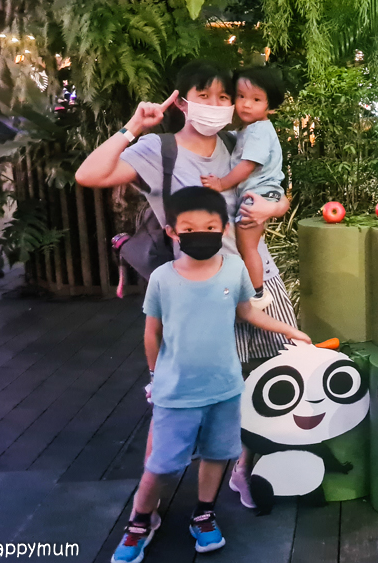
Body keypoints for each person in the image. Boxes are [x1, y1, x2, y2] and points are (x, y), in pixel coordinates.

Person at [75, 60, 296, 513]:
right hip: (197, 293)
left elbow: (280, 192)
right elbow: (89, 175)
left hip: (258, 283)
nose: (215, 105)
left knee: (264, 380)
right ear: (182, 101)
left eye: (223, 97)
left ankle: (243, 469)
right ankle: (147, 508)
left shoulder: (239, 143)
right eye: (204, 95)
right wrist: (133, 127)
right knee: (175, 398)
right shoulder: (159, 150)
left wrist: (273, 209)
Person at [109, 187, 310, 562]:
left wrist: (289, 330)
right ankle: (139, 522)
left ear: (224, 229)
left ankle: (203, 514)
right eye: (189, 228)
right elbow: (152, 332)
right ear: (173, 231)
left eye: (210, 227)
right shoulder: (163, 279)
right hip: (176, 392)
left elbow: (247, 312)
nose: (200, 234)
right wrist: (154, 376)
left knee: (217, 455)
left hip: (224, 388)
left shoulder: (234, 269)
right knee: (161, 464)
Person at [201, 66, 285, 310]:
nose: (246, 104)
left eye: (256, 99)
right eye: (241, 96)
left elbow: (247, 165)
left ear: (270, 106)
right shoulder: (249, 130)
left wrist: (221, 183)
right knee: (248, 246)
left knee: (247, 247)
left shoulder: (259, 131)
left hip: (258, 194)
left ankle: (257, 294)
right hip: (262, 193)